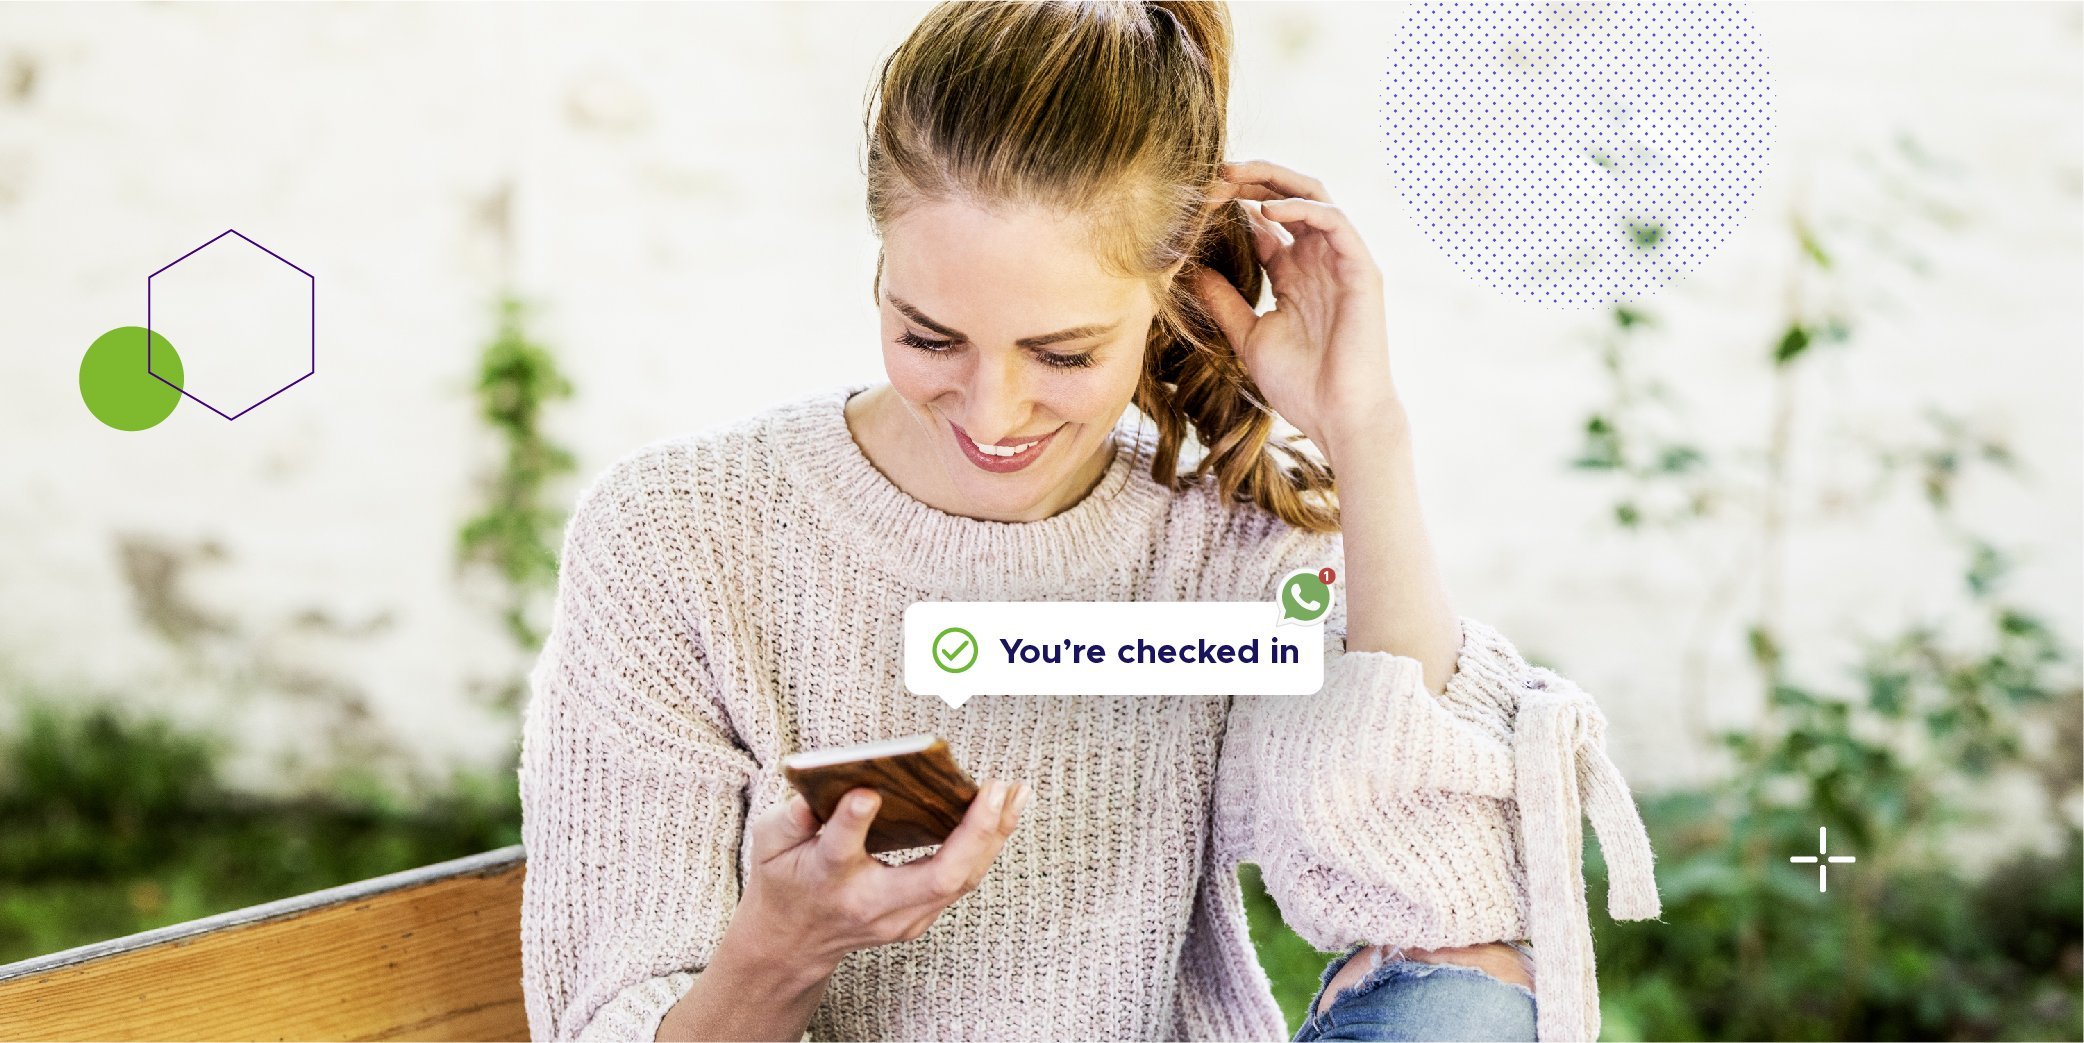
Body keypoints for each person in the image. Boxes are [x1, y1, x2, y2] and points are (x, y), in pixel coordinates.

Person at [517, 2, 1661, 1041]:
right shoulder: (678, 535)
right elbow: (609, 1012)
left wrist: (1367, 436)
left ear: (1165, 292)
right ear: (880, 267)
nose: (993, 410)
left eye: (1062, 353)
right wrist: (782, 948)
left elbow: (1438, 911)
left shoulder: (1215, 544)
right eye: (929, 337)